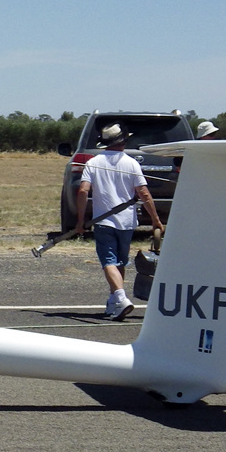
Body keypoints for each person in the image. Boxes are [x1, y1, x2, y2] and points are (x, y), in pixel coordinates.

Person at [73, 122, 164, 320]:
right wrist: (155, 220)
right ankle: (114, 302)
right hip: (126, 222)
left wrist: (80, 220)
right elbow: (144, 193)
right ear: (123, 141)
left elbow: (82, 191)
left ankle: (121, 298)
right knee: (119, 262)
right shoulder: (131, 163)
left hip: (104, 222)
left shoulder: (93, 162)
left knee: (108, 262)